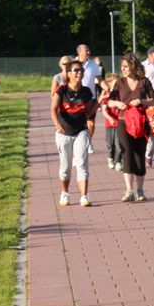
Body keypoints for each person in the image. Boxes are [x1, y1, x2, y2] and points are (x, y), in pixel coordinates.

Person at [105, 53, 154, 202]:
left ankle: (140, 190)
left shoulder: (144, 82)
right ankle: (129, 190)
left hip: (140, 122)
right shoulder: (120, 82)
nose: (123, 69)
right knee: (127, 152)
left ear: (134, 67)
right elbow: (109, 101)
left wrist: (141, 101)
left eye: (126, 67)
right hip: (124, 122)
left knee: (139, 155)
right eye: (122, 66)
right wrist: (117, 103)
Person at [51, 60, 98, 207]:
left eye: (81, 70)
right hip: (64, 132)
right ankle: (65, 193)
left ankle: (84, 196)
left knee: (82, 163)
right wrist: (57, 124)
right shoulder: (62, 90)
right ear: (69, 73)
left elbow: (88, 113)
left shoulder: (86, 92)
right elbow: (53, 109)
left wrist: (101, 100)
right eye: (76, 70)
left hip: (81, 132)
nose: (80, 73)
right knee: (65, 167)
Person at [76, 44, 104, 151]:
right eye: (86, 51)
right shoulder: (73, 64)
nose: (89, 52)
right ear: (79, 52)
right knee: (78, 122)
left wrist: (108, 89)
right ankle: (76, 145)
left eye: (89, 51)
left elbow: (100, 80)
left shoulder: (94, 65)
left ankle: (88, 142)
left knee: (91, 123)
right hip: (77, 98)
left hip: (90, 97)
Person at [99, 73, 124, 171]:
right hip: (110, 123)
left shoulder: (122, 93)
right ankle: (110, 157)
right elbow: (104, 109)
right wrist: (109, 118)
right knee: (110, 144)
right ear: (109, 83)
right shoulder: (107, 94)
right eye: (115, 82)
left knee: (119, 144)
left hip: (120, 123)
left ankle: (118, 161)